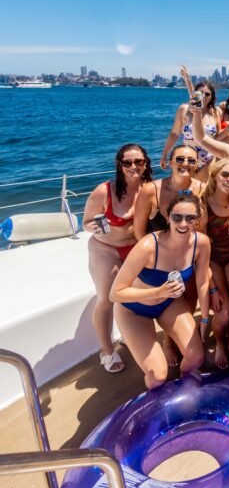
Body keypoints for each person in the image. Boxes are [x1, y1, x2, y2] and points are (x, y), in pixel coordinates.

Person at [110, 193, 208, 389]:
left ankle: (184, 389)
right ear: (168, 217)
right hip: (133, 310)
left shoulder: (201, 243)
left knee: (196, 358)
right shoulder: (148, 246)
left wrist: (204, 319)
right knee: (157, 376)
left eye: (190, 218)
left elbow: (203, 281)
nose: (183, 223)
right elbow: (116, 293)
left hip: (168, 304)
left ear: (197, 220)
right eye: (177, 217)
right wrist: (158, 292)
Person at [82, 144, 152, 373]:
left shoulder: (150, 189)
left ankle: (128, 334)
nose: (134, 167)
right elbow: (86, 222)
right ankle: (106, 350)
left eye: (138, 162)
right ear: (119, 165)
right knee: (106, 298)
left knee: (133, 297)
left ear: (146, 163)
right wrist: (97, 226)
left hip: (135, 250)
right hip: (106, 248)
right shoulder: (104, 191)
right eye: (127, 162)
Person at [202, 157, 229, 369]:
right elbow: (199, 251)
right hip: (211, 261)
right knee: (224, 313)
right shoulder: (203, 204)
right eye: (225, 174)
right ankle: (220, 343)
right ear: (214, 175)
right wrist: (212, 289)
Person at [160, 66, 220, 181]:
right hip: (188, 161)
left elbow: (218, 137)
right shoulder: (184, 110)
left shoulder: (215, 113)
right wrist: (164, 154)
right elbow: (174, 134)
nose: (203, 96)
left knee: (203, 194)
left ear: (211, 97)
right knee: (186, 193)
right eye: (200, 93)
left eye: (207, 94)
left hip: (208, 161)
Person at [134, 145, 206, 239]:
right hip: (159, 251)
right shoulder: (151, 190)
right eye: (180, 159)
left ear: (196, 165)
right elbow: (139, 232)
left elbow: (204, 230)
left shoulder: (203, 190)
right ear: (171, 163)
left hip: (192, 250)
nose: (185, 163)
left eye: (191, 160)